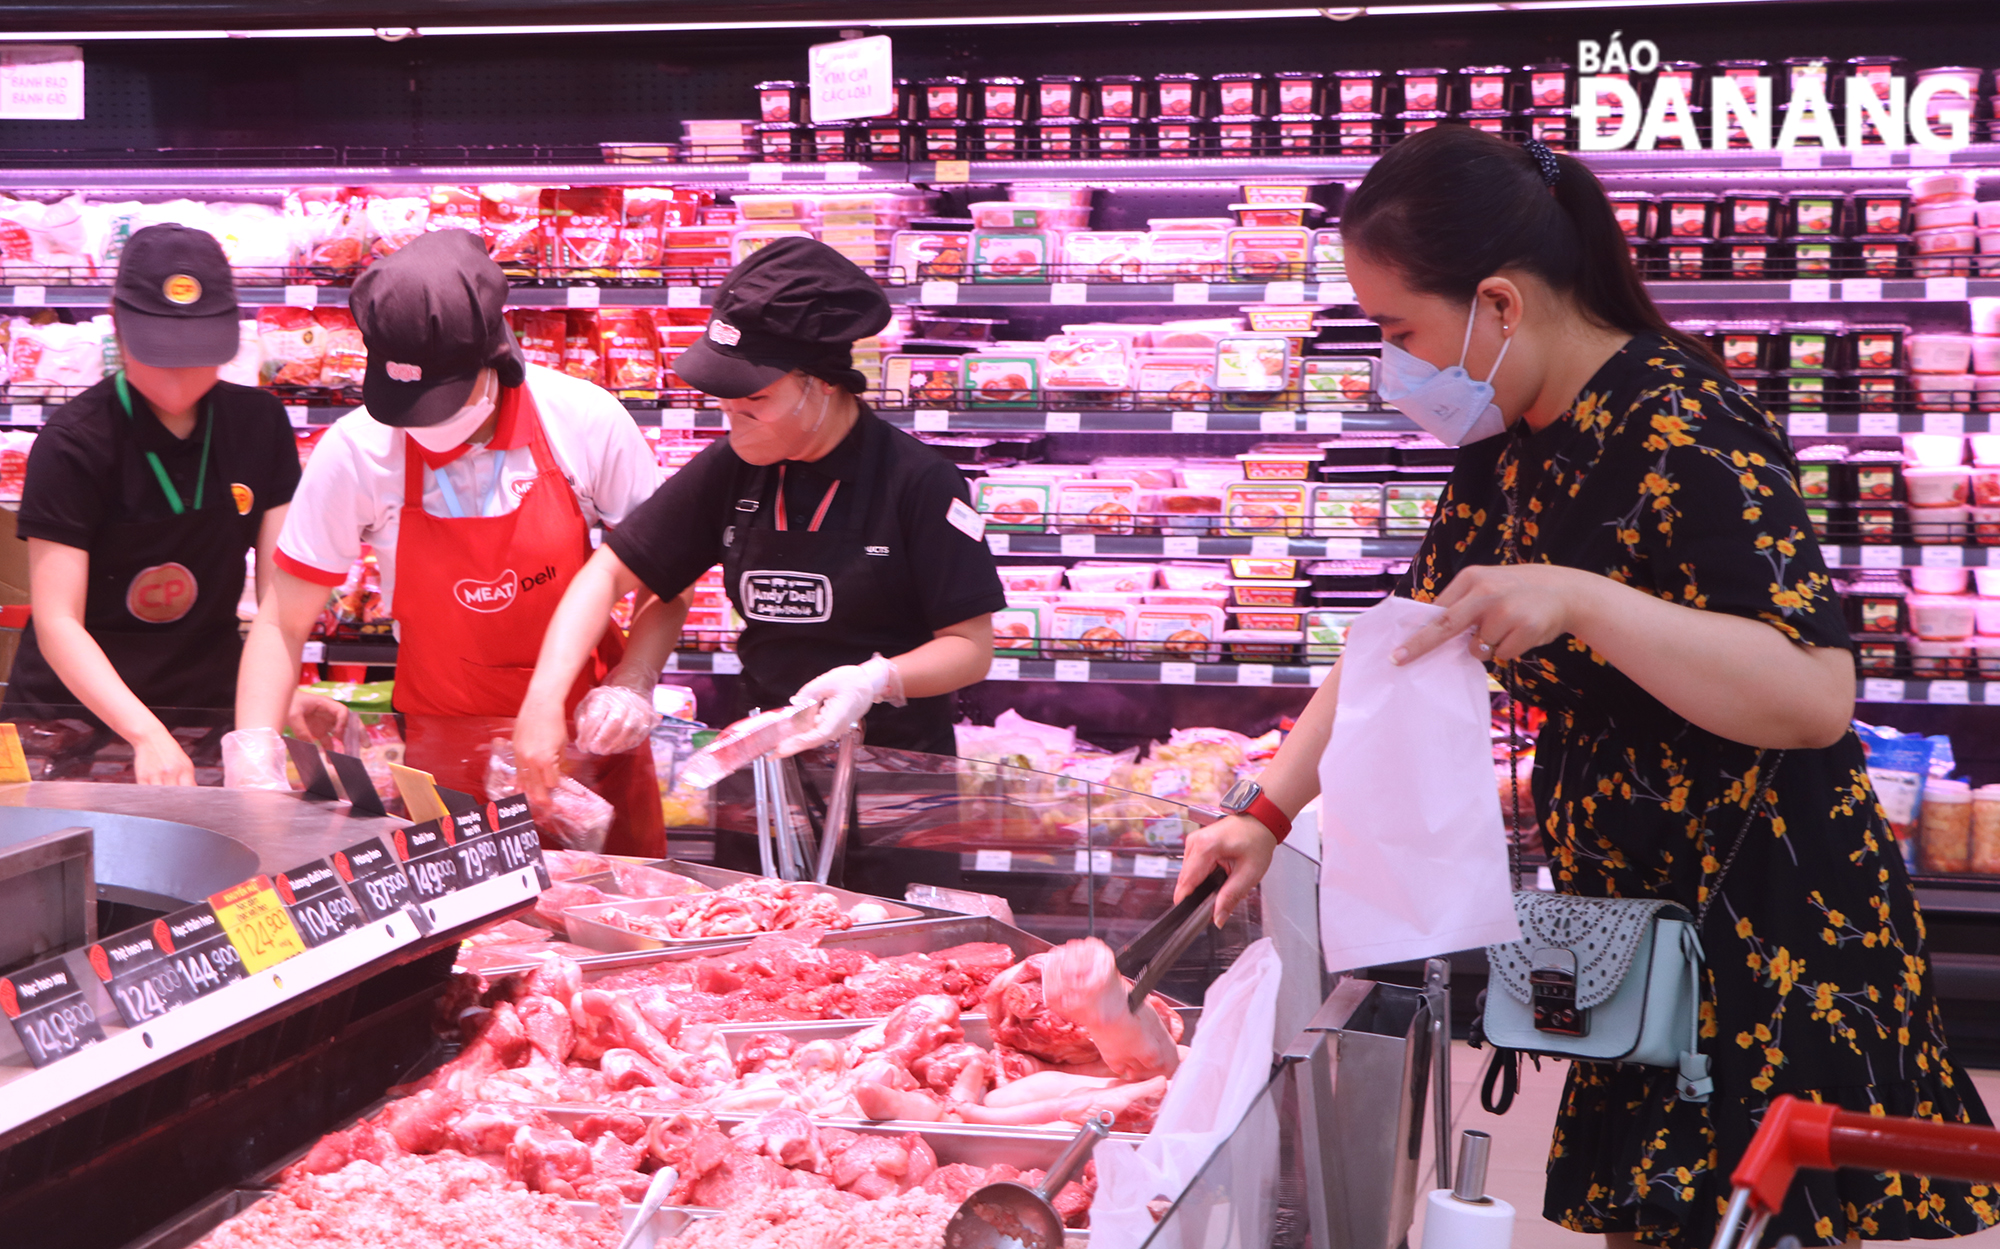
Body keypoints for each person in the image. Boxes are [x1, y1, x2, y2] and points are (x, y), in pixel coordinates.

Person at [1176, 127, 1994, 1248]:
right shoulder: (1506, 445)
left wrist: (1585, 600)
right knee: (1649, 1220)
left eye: (1396, 329)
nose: (1389, 362)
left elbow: (1813, 693)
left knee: (1750, 1221)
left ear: (1497, 305)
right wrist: (1263, 811)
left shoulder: (1684, 425)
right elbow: (1402, 645)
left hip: (1761, 915)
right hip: (1627, 921)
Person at [515, 237, 1005, 799]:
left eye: (754, 405)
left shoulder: (918, 481)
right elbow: (607, 574)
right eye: (724, 405)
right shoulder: (733, 469)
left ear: (821, 382)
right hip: (763, 774)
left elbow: (972, 648)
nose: (734, 423)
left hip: (895, 782)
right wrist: (555, 698)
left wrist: (875, 680)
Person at [232, 228, 672, 855]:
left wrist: (631, 683)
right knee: (467, 948)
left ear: (494, 354)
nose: (425, 428)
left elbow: (666, 578)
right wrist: (254, 753)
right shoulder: (357, 450)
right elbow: (282, 621)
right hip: (445, 763)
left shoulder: (586, 420)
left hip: (589, 750)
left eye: (440, 403)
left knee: (619, 929)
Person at [5, 224, 340, 784]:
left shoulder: (259, 424)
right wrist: (143, 733)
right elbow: (59, 620)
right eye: (162, 354)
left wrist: (276, 697)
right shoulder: (74, 441)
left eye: (197, 354)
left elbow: (279, 606)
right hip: (66, 722)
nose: (181, 375)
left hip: (203, 709)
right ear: (118, 324)